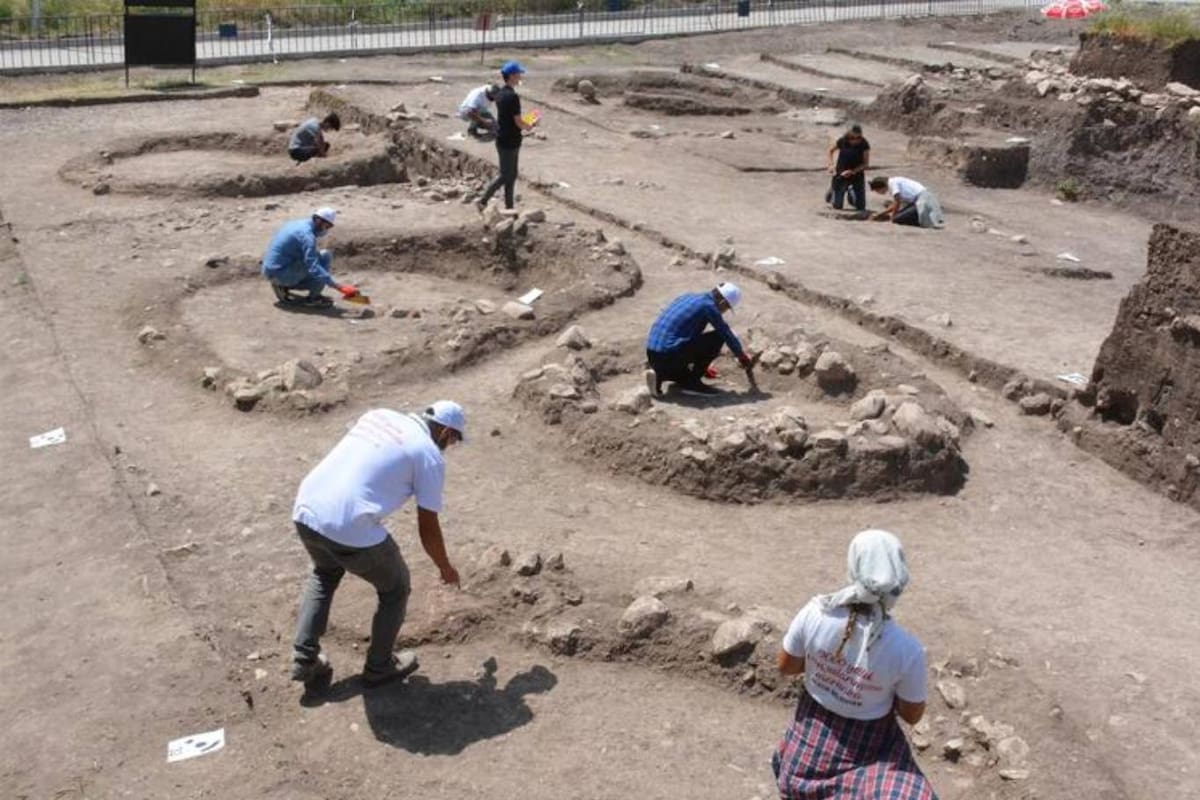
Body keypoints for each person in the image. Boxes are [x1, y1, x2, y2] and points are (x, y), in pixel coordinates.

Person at [290, 402, 466, 692]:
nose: (451, 446)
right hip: (348, 524)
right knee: (396, 588)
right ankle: (379, 666)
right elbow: (428, 525)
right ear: (446, 432)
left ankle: (304, 658)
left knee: (324, 573)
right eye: (454, 440)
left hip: (306, 508)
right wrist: (444, 567)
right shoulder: (428, 454)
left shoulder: (379, 415)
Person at [773, 529, 936, 800]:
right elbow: (911, 715)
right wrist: (866, 685)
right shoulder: (907, 650)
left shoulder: (816, 612)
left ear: (854, 567)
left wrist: (829, 671)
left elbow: (786, 665)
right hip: (872, 748)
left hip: (807, 749)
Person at [644, 282, 755, 396]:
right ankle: (693, 384)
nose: (724, 311)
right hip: (669, 355)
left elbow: (687, 334)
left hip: (652, 353)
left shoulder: (688, 297)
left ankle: (659, 374)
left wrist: (702, 366)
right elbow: (725, 333)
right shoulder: (708, 306)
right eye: (726, 308)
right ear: (722, 302)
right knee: (717, 337)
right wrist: (741, 356)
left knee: (684, 376)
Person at [261, 208, 361, 308]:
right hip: (278, 273)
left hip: (272, 269)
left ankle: (282, 285)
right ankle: (313, 299)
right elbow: (313, 267)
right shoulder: (307, 236)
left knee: (323, 256)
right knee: (317, 265)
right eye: (327, 225)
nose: (327, 229)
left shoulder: (298, 224)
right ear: (318, 221)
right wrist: (339, 287)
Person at [478, 61, 538, 211]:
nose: (520, 76)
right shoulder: (512, 97)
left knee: (511, 175)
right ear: (511, 76)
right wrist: (530, 125)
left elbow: (509, 117)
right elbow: (517, 121)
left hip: (505, 138)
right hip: (509, 140)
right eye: (518, 74)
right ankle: (483, 200)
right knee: (506, 175)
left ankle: (509, 207)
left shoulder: (500, 94)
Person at [869, 175, 945, 229]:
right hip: (920, 200)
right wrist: (881, 214)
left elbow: (897, 203)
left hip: (922, 200)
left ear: (881, 187)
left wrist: (892, 217)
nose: (878, 193)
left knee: (897, 219)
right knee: (899, 214)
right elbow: (896, 204)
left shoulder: (892, 183)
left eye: (877, 190)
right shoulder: (894, 181)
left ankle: (925, 220)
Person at [826, 124, 870, 212]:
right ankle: (833, 190)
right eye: (853, 138)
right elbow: (830, 151)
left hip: (856, 173)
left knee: (860, 207)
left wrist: (853, 171)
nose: (856, 140)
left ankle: (851, 192)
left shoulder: (864, 144)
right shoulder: (842, 141)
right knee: (837, 206)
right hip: (841, 173)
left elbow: (866, 164)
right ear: (849, 136)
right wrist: (831, 165)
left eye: (858, 138)